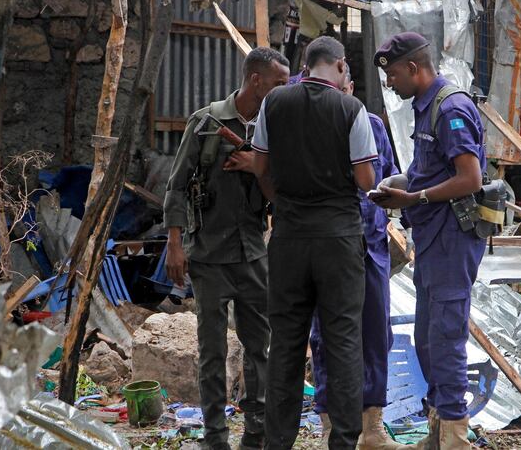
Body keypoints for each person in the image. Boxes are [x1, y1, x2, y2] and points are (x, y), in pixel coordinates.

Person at [251, 36, 378, 449]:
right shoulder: (351, 109)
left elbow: (260, 166)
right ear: (340, 67)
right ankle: (343, 441)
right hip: (338, 240)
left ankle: (278, 442)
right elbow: (366, 180)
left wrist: (282, 200)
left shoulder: (274, 103)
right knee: (343, 340)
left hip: (287, 238)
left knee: (286, 341)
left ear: (306, 66)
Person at [163, 47, 290, 450]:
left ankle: (256, 433)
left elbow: (283, 190)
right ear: (256, 80)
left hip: (253, 254)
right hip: (209, 258)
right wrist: (175, 244)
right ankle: (215, 436)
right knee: (212, 352)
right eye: (279, 83)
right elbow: (177, 187)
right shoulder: (206, 123)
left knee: (259, 349)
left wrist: (260, 164)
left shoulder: (276, 128)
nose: (284, 90)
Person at [371, 32, 487, 448]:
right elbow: (433, 172)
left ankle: (455, 437)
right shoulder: (425, 107)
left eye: (394, 75)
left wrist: (414, 196)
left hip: (454, 241)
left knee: (446, 337)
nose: (390, 84)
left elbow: (469, 178)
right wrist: (399, 184)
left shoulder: (450, 107)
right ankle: (438, 432)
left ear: (415, 69)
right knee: (427, 338)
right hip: (433, 241)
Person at [309, 65, 400, 450]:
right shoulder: (309, 129)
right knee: (325, 334)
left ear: (350, 87)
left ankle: (373, 428)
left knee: (376, 333)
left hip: (372, 246)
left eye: (344, 88)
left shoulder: (374, 126)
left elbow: (391, 176)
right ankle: (330, 424)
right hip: (327, 245)